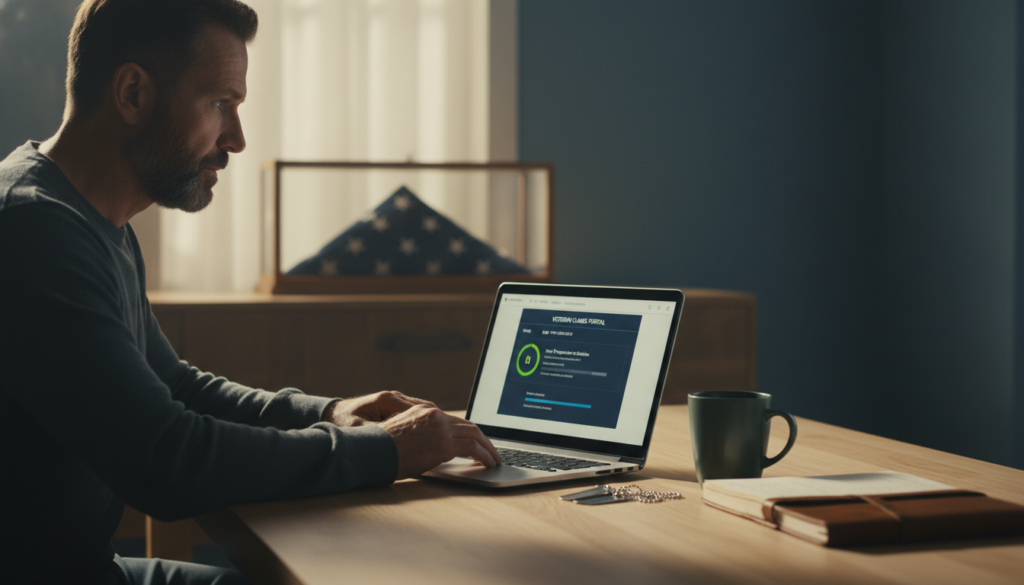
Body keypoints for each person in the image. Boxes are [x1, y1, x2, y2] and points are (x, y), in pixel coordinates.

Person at [0, 1, 500, 584]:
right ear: (133, 93)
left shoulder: (93, 222)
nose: (236, 139)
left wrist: (333, 413)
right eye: (220, 104)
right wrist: (386, 451)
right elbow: (168, 460)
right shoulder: (32, 231)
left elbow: (174, 386)